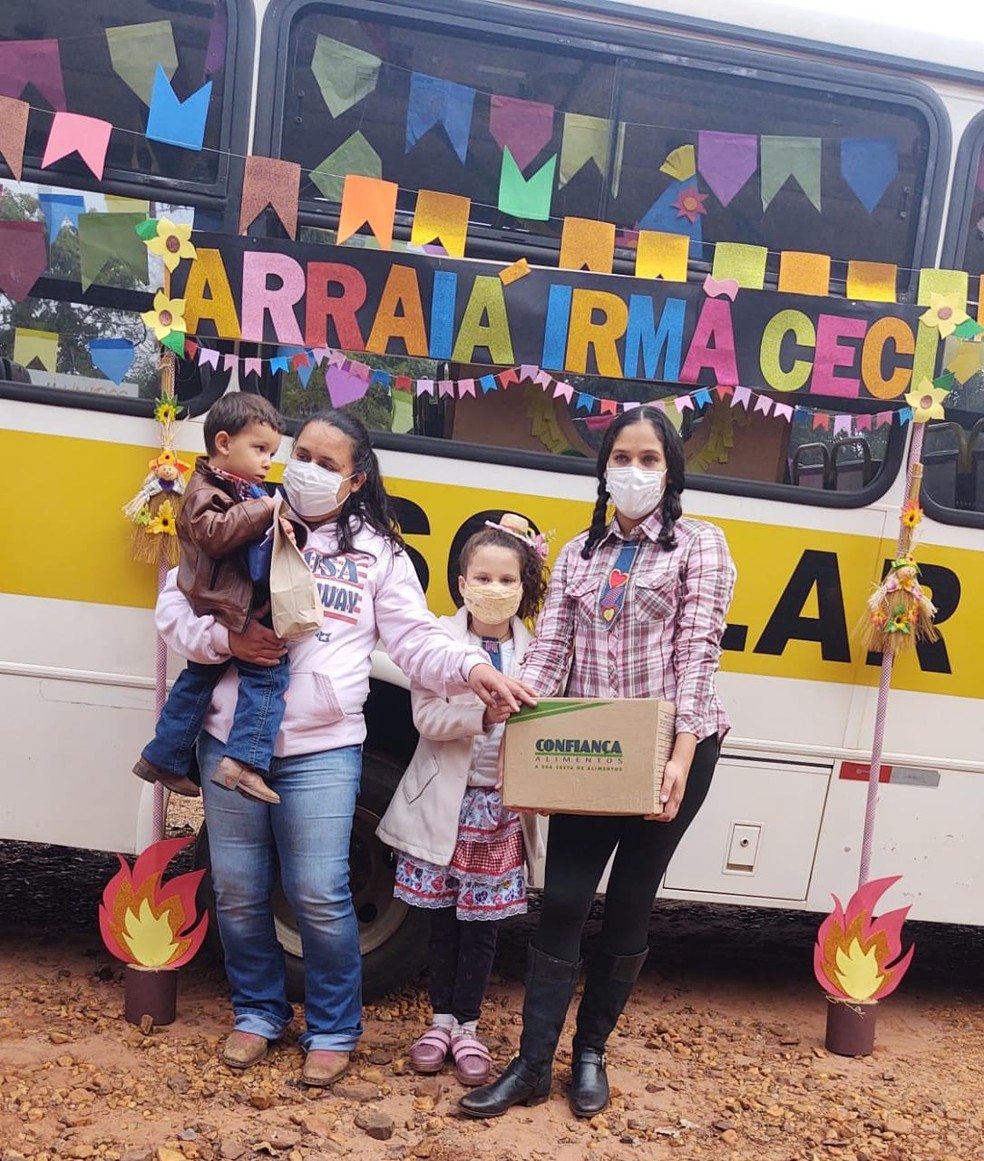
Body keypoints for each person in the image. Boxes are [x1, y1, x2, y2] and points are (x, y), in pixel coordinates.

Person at [155, 407, 536, 1087]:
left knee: (319, 892)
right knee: (237, 890)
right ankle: (258, 1013)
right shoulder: (242, 519)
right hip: (228, 740)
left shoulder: (379, 554)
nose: (306, 469)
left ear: (355, 479)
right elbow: (174, 609)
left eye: (326, 464)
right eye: (301, 454)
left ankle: (332, 1027)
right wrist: (225, 641)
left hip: (323, 749)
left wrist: (471, 668)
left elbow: (415, 638)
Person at [459, 405, 736, 1120]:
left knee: (631, 904)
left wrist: (679, 756)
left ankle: (590, 1055)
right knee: (565, 901)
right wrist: (518, 723)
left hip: (673, 748)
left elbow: (697, 655)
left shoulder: (701, 545)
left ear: (670, 470)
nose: (634, 471)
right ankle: (531, 1065)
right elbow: (551, 654)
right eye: (622, 458)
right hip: (592, 748)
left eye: (649, 459)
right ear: (604, 467)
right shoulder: (579, 552)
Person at [376, 515, 549, 1087]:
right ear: (461, 582)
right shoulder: (439, 643)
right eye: (483, 578)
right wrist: (483, 717)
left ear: (523, 586)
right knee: (443, 920)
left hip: (500, 811)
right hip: (446, 805)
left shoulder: (539, 652)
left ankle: (468, 1027)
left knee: (483, 926)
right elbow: (427, 718)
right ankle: (439, 1023)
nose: (494, 589)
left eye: (507, 579)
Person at [133, 392, 296, 806]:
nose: (268, 462)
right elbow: (215, 534)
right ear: (223, 443)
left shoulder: (237, 489)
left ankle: (162, 756)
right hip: (222, 603)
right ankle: (243, 762)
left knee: (198, 681)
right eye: (260, 449)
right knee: (268, 676)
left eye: (272, 453)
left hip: (220, 598)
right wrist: (266, 510)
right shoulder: (206, 490)